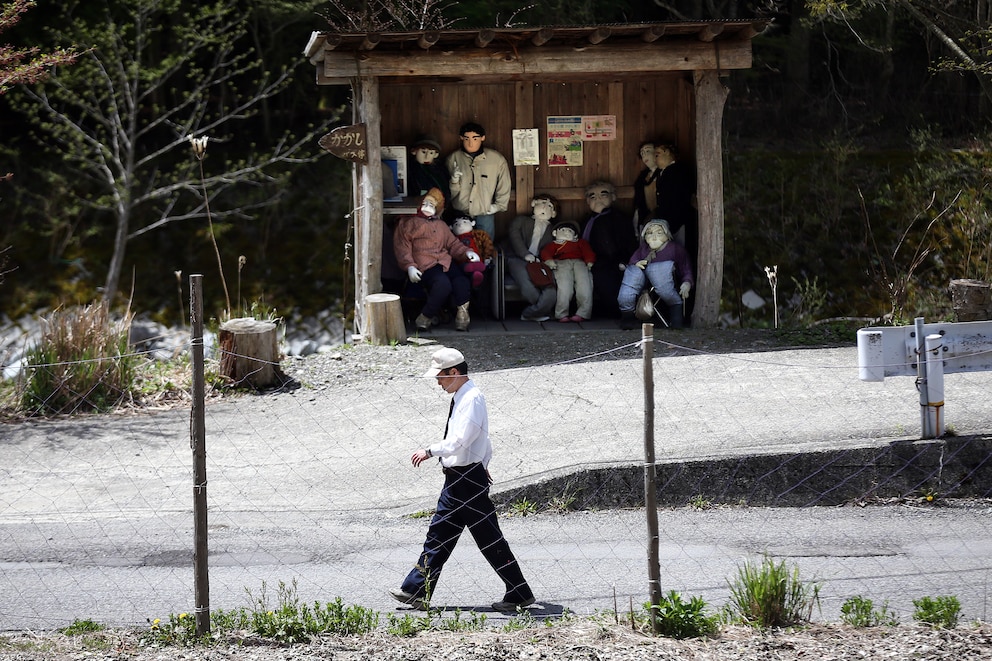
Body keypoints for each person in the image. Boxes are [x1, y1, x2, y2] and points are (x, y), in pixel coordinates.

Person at [390, 347, 536, 613]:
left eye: (441, 377)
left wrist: (430, 451)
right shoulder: (463, 396)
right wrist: (484, 463)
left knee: (486, 539)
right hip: (462, 478)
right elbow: (484, 440)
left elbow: (461, 440)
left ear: (454, 372)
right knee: (441, 535)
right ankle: (416, 590)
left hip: (466, 480)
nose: (438, 382)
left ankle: (519, 592)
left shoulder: (471, 399)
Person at [393, 188, 480, 332]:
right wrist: (410, 266)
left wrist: (467, 253)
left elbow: (452, 244)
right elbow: (402, 247)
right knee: (442, 284)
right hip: (425, 264)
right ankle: (425, 316)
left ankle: (462, 317)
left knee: (462, 281)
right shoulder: (408, 223)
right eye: (426, 203)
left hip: (445, 261)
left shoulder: (441, 225)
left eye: (432, 205)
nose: (428, 208)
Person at [617, 219, 694, 330]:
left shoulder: (675, 249)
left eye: (659, 233)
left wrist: (687, 282)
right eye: (650, 233)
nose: (654, 237)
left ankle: (676, 318)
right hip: (643, 281)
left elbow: (685, 268)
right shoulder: (643, 249)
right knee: (632, 272)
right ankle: (627, 316)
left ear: (667, 235)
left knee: (658, 269)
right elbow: (632, 261)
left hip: (664, 282)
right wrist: (636, 263)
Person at [446, 122, 511, 240]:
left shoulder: (496, 159)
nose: (471, 143)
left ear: (482, 138)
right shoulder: (453, 159)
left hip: (485, 211)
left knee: (486, 247)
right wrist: (454, 181)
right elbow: (448, 192)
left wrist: (498, 206)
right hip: (461, 212)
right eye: (467, 138)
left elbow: (504, 184)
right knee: (461, 248)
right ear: (461, 138)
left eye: (475, 138)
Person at [580, 180, 636, 318]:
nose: (597, 199)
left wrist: (623, 260)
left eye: (603, 195)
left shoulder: (619, 218)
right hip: (590, 261)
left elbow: (629, 242)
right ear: (587, 201)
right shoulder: (586, 220)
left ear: (613, 197)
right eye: (592, 196)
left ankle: (619, 312)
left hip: (614, 261)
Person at [502, 193, 559, 322]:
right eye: (542, 203)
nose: (545, 207)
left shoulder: (554, 230)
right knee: (526, 283)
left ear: (554, 213)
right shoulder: (521, 221)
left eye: (549, 206)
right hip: (517, 258)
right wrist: (524, 254)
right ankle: (542, 310)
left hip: (541, 262)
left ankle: (530, 313)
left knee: (550, 287)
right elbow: (514, 235)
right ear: (534, 204)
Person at [540, 220, 596, 323]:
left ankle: (583, 313)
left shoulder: (581, 243)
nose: (566, 232)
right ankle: (561, 313)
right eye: (563, 230)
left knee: (585, 285)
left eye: (570, 231)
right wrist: (549, 261)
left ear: (575, 236)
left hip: (580, 263)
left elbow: (588, 251)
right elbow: (545, 252)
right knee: (564, 286)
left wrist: (589, 261)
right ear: (555, 233)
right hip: (561, 263)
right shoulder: (553, 244)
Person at [653, 143, 697, 257]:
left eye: (657, 154)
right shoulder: (662, 173)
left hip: (679, 218)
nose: (655, 158)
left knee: (681, 250)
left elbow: (680, 197)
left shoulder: (679, 171)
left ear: (667, 152)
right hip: (667, 220)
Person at [408, 134, 451, 205]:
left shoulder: (440, 170)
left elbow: (445, 190)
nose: (427, 156)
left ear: (435, 155)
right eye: (423, 152)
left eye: (431, 153)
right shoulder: (410, 169)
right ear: (414, 151)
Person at [632, 141, 660, 235]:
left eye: (648, 151)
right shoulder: (643, 177)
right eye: (642, 153)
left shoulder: (666, 173)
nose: (645, 156)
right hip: (646, 216)